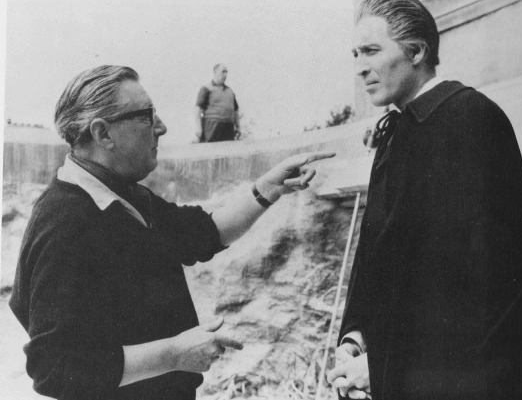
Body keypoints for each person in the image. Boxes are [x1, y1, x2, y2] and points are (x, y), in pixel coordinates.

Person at [9, 65, 334, 400]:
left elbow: (203, 232)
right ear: (103, 134)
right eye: (146, 116)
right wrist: (175, 354)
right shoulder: (65, 222)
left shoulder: (121, 195)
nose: (161, 127)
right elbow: (54, 366)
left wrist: (268, 189)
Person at [327, 0, 522, 399]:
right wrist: (355, 336)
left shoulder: (471, 119)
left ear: (417, 51)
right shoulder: (397, 132)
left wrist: (384, 367)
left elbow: (488, 290)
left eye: (371, 51)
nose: (360, 67)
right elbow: (377, 256)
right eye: (355, 54)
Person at [195, 64, 239, 142]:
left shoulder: (230, 91)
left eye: (226, 72)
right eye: (223, 72)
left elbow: (236, 110)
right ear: (215, 72)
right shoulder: (206, 88)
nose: (225, 75)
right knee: (211, 148)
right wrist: (198, 128)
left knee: (229, 148)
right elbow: (198, 109)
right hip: (212, 126)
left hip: (228, 127)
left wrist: (238, 127)